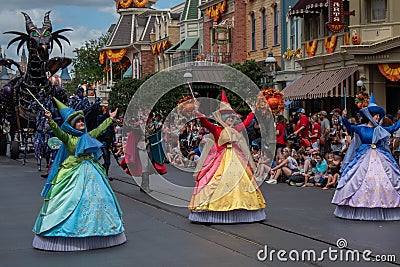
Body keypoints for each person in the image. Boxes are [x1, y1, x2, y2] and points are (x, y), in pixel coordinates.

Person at [32, 98, 126, 251]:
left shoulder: (87, 136)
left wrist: (110, 118)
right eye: (79, 122)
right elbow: (58, 131)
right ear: (73, 124)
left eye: (83, 121)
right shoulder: (68, 137)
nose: (82, 124)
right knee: (69, 199)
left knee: (100, 197)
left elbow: (100, 129)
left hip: (91, 169)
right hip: (73, 170)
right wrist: (50, 118)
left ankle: (99, 230)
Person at [188, 90, 266, 223]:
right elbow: (205, 122)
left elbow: (246, 123)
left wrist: (252, 112)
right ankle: (212, 210)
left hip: (236, 158)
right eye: (228, 118)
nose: (230, 120)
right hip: (220, 158)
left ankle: (241, 208)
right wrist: (197, 112)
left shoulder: (236, 129)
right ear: (223, 119)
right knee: (216, 180)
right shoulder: (217, 130)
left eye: (231, 118)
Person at [332, 93, 400, 220]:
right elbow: (349, 127)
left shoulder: (381, 129)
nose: (377, 117)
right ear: (369, 116)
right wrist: (344, 118)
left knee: (384, 179)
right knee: (359, 178)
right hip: (364, 156)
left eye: (378, 115)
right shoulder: (361, 129)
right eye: (375, 115)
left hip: (381, 157)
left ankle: (385, 204)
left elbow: (395, 127)